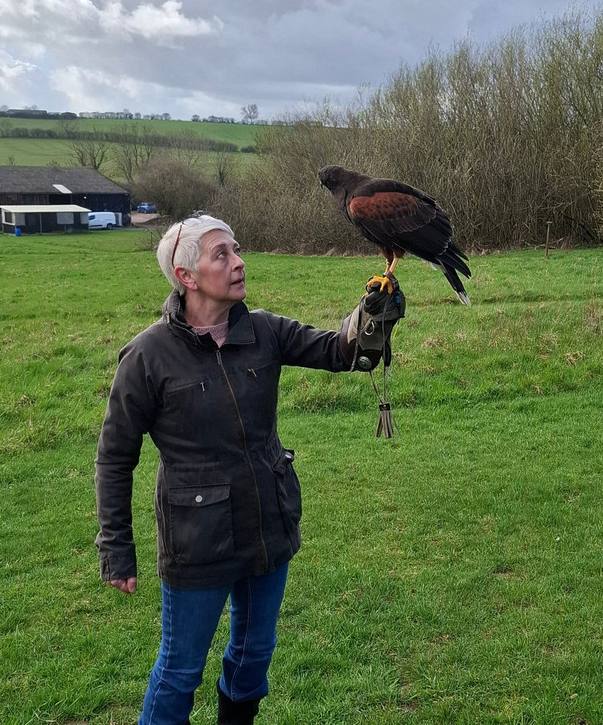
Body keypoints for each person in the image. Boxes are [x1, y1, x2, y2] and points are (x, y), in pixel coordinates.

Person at [95, 215, 403, 725]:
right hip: (197, 543)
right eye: (222, 255)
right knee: (179, 672)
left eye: (236, 250)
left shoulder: (263, 330)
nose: (239, 262)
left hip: (267, 523)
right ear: (186, 276)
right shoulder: (148, 356)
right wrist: (116, 548)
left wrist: (369, 317)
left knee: (253, 658)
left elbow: (337, 350)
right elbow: (114, 456)